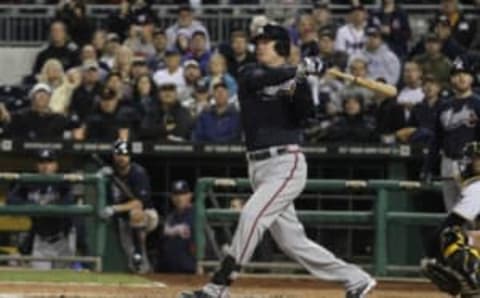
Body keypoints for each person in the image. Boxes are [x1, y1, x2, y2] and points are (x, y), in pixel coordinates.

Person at [181, 24, 376, 298]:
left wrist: (303, 82)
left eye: (267, 42)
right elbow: (260, 80)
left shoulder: (296, 78)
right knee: (292, 242)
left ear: (281, 47)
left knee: (251, 216)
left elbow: (306, 116)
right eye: (259, 41)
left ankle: (218, 287)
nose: (259, 45)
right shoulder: (250, 71)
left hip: (286, 162)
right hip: (257, 165)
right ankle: (356, 278)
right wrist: (299, 69)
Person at [421, 141, 480, 297]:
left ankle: (474, 287)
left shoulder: (478, 187)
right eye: (475, 159)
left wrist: (431, 257)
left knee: (452, 236)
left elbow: (449, 226)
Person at [423, 58, 480, 212]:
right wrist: (427, 168)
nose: (461, 78)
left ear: (472, 78)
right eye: (457, 74)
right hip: (448, 161)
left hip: (471, 163)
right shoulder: (444, 106)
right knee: (452, 214)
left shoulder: (477, 104)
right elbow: (437, 140)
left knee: (472, 214)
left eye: (465, 74)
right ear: (450, 79)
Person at [7, 149, 75, 270]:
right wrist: (31, 206)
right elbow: (12, 199)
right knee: (41, 277)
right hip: (40, 241)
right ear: (37, 165)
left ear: (55, 165)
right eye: (42, 162)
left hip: (63, 239)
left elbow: (69, 201)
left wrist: (50, 207)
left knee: (65, 279)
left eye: (49, 162)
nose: (45, 166)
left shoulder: (63, 182)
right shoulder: (30, 181)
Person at [99, 140, 159, 273]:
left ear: (130, 156)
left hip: (147, 214)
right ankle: (142, 271)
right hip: (123, 219)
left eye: (125, 154)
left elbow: (139, 203)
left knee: (135, 214)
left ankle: (139, 254)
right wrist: (99, 178)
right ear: (114, 156)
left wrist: (114, 209)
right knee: (131, 258)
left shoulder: (138, 173)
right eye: (118, 154)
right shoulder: (110, 174)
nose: (121, 157)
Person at [0, 83, 70, 140]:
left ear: (50, 98)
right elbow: (7, 120)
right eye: (38, 93)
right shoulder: (20, 116)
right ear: (32, 97)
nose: (42, 96)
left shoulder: (59, 118)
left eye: (45, 94)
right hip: (24, 155)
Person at [395, 74, 444, 144]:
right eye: (426, 85)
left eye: (433, 84)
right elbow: (410, 128)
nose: (429, 87)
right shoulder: (417, 108)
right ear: (422, 89)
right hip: (419, 143)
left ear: (439, 88)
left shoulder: (445, 106)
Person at [159, 180, 196, 273]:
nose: (179, 198)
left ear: (190, 195)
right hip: (168, 270)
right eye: (176, 194)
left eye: (183, 194)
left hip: (190, 270)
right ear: (172, 197)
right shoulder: (170, 217)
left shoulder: (196, 215)